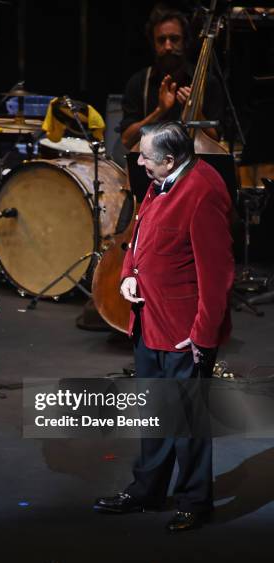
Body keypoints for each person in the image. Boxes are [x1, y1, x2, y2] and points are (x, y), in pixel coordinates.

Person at [94, 121, 234, 532]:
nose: (138, 162)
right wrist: (129, 273)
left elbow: (218, 272)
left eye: (145, 157)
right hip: (148, 319)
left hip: (183, 331)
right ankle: (147, 491)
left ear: (170, 159)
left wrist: (204, 335)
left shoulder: (202, 192)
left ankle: (195, 500)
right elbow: (138, 235)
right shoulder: (162, 180)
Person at [120, 4, 223, 150]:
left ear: (185, 41)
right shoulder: (138, 82)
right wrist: (160, 111)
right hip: (151, 168)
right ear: (153, 44)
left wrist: (197, 114)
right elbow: (126, 140)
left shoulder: (208, 82)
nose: (168, 46)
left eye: (174, 39)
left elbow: (216, 140)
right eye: (161, 40)